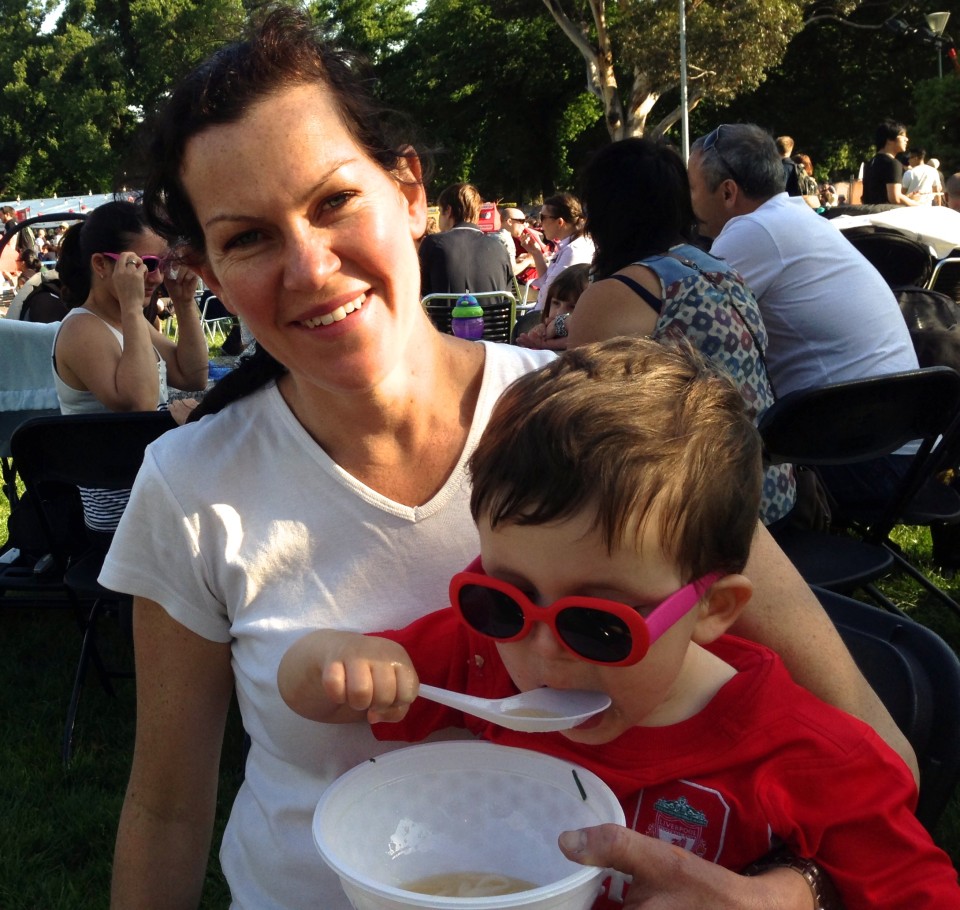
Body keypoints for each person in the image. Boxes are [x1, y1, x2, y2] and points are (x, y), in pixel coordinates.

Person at [101, 9, 917, 910]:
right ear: (210, 277)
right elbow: (167, 810)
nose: (309, 265)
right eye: (248, 237)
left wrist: (795, 893)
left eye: (333, 201)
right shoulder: (190, 485)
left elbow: (875, 754)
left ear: (409, 190)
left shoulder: (600, 426)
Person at [278, 338, 960, 910]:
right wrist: (339, 656)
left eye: (600, 626)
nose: (542, 654)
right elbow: (310, 692)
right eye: (503, 599)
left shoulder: (809, 761)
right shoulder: (484, 658)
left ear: (712, 609)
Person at [686, 123, 921, 513]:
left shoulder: (751, 230)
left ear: (728, 192)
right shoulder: (794, 217)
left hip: (860, 461)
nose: (689, 203)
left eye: (692, 189)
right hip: (904, 451)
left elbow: (690, 332)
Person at [567, 137, 794, 526]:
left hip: (711, 511)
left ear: (602, 212)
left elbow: (577, 415)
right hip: (774, 488)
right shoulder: (720, 269)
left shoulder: (617, 292)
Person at [53, 200, 208, 534]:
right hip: (121, 505)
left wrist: (183, 302)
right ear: (101, 265)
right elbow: (139, 403)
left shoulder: (128, 320)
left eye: (162, 264)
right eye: (143, 265)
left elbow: (192, 374)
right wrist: (133, 307)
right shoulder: (82, 329)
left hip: (152, 481)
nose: (155, 276)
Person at [417, 182, 513, 297]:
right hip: (491, 315)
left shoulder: (433, 244)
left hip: (445, 315)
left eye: (440, 211)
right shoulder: (499, 247)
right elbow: (506, 297)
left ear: (448, 210)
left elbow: (419, 293)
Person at [520, 192, 594, 311]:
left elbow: (551, 294)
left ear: (560, 222)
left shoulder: (573, 251)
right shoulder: (570, 246)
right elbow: (547, 283)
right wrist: (536, 253)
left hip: (548, 319)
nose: (540, 223)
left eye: (543, 217)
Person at [514, 262, 589, 350]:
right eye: (556, 303)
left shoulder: (590, 338)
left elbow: (584, 341)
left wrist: (558, 326)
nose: (560, 313)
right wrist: (537, 338)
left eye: (572, 307)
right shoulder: (544, 330)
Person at [861, 120, 923, 206]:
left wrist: (907, 198)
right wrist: (916, 205)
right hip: (885, 216)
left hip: (869, 215)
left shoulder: (871, 162)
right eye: (902, 136)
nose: (907, 139)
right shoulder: (893, 163)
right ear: (889, 140)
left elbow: (873, 196)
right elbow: (895, 198)